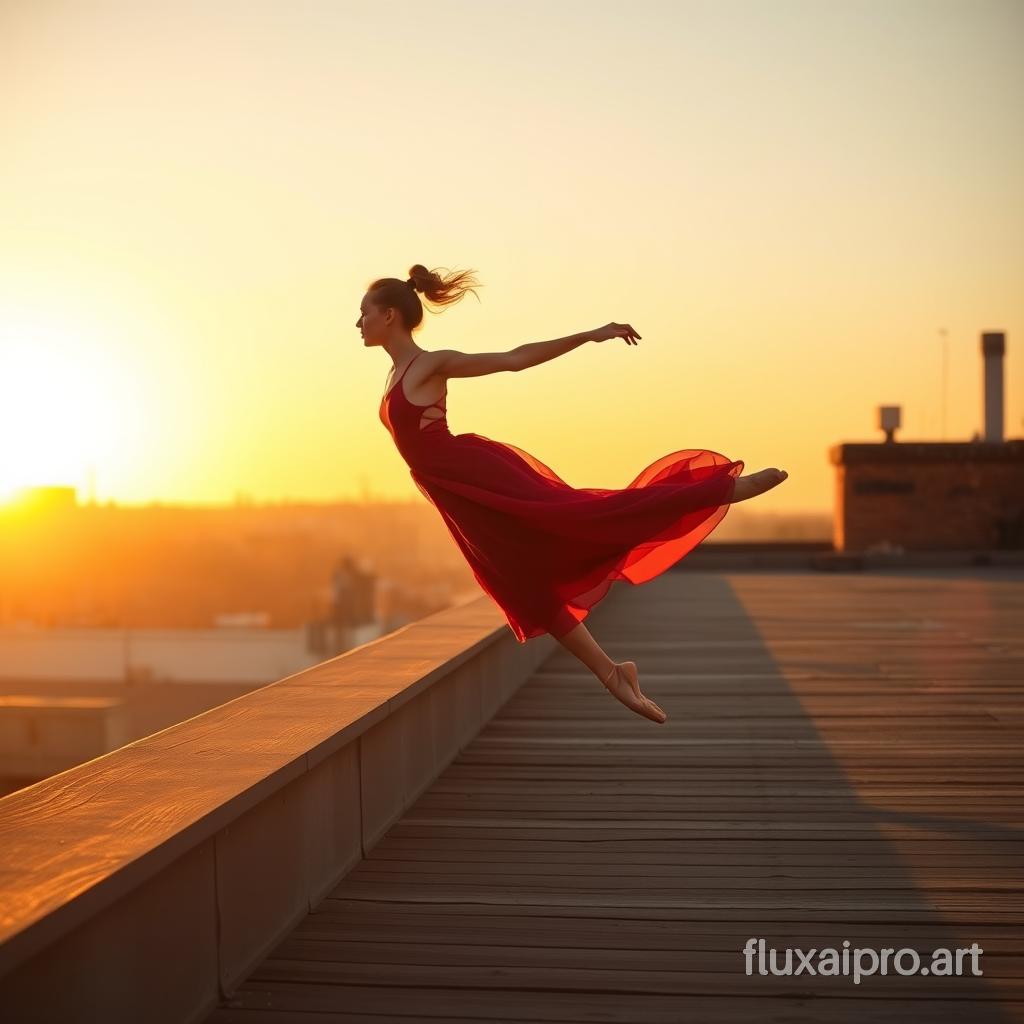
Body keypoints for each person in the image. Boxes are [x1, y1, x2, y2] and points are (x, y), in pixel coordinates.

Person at [361, 264, 788, 725]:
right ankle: (613, 674)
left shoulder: (429, 364)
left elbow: (514, 358)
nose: (357, 322)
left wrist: (589, 335)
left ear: (389, 316)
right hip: (456, 495)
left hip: (477, 476)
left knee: (587, 517)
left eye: (363, 313)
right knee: (523, 584)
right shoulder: (393, 374)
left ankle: (719, 488)